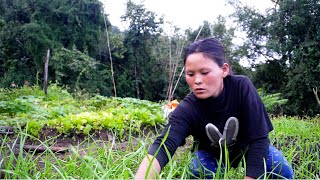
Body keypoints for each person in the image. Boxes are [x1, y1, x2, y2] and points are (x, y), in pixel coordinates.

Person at [135, 38, 294, 179]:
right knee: (199, 169)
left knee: (280, 168)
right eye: (190, 74)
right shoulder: (188, 108)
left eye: (204, 72)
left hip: (247, 149)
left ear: (224, 70)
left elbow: (259, 139)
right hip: (211, 156)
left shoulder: (241, 88)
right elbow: (162, 146)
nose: (197, 80)